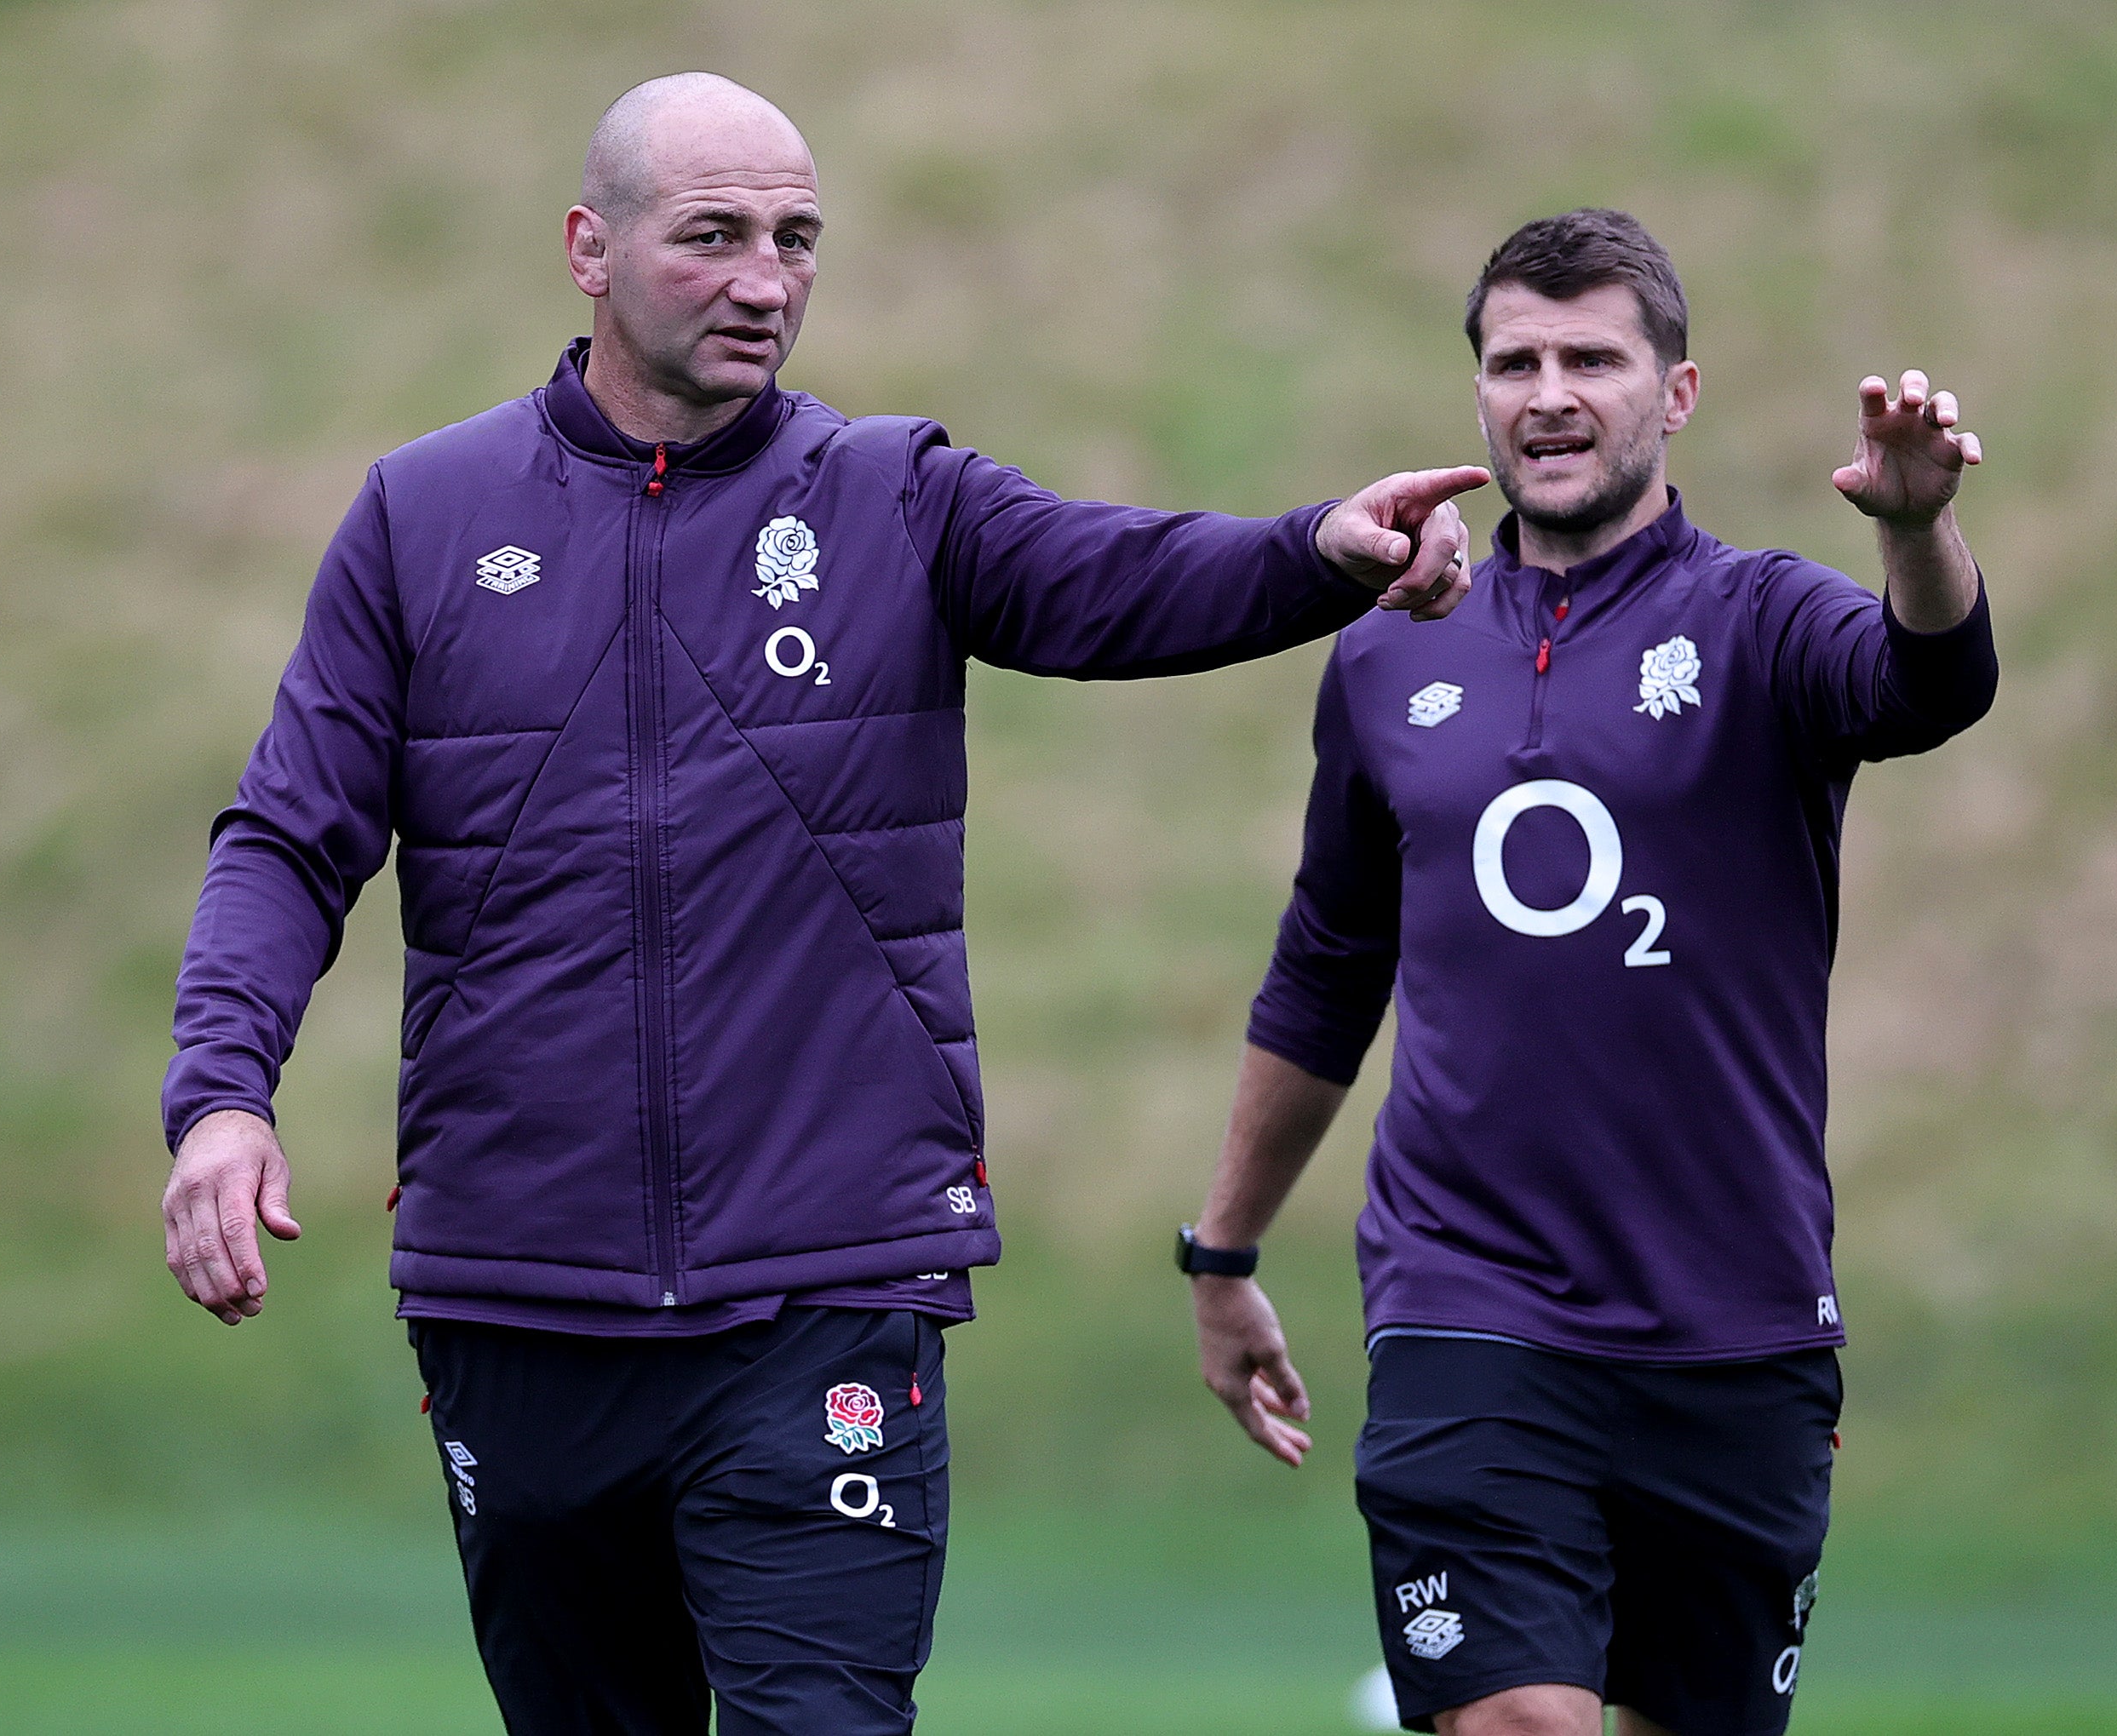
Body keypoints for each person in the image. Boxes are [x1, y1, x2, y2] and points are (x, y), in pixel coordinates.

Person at [158, 72, 1484, 1736]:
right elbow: (288, 838)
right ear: (589, 247)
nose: (766, 280)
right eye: (713, 237)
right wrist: (221, 1099)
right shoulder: (425, 519)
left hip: (827, 1290)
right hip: (518, 1291)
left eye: (795, 241)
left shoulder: (895, 496)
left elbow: (1114, 583)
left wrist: (1317, 554)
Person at [1180, 208, 1998, 1736]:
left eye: (1593, 360)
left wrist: (1911, 527)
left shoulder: (1762, 623)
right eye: (1515, 361)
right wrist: (1222, 1254)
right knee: (1519, 1721)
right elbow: (1325, 968)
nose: (1549, 392)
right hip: (1466, 1300)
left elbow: (1932, 684)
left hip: (1734, 1316)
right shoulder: (1388, 652)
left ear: (1675, 395)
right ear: (1479, 391)